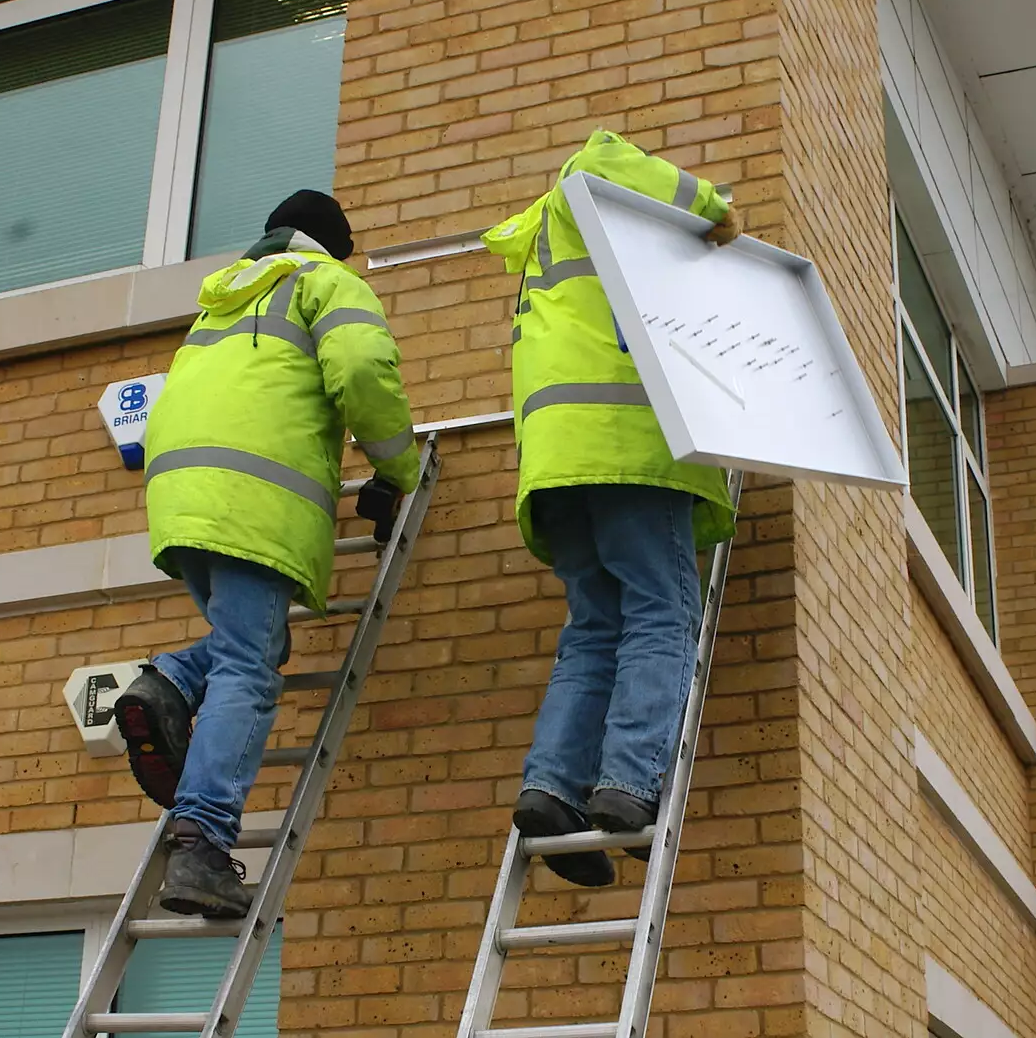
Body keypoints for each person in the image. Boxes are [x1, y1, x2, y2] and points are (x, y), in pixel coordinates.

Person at [114, 190, 418, 918]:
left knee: (250, 641)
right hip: (254, 493)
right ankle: (205, 845)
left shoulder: (220, 302)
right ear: (331, 246)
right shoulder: (326, 283)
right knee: (250, 665)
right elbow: (364, 372)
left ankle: (169, 682)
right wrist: (396, 468)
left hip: (182, 494)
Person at [482, 131, 742, 887]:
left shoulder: (546, 240)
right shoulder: (591, 176)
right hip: (623, 441)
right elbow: (618, 165)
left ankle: (552, 787)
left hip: (557, 462)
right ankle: (629, 781)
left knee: (595, 625)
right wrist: (717, 214)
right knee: (661, 612)